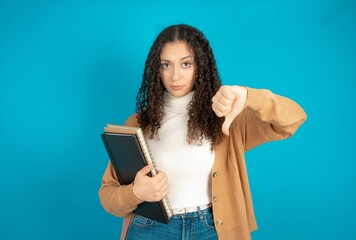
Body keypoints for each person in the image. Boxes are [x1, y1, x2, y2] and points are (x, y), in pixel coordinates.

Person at [99, 24, 307, 240]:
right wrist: (136, 193)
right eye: (166, 65)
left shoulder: (226, 117)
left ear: (200, 66)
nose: (175, 76)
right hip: (150, 229)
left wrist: (248, 96)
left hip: (210, 229)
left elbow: (294, 118)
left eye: (186, 64)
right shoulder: (137, 124)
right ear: (156, 69)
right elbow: (108, 196)